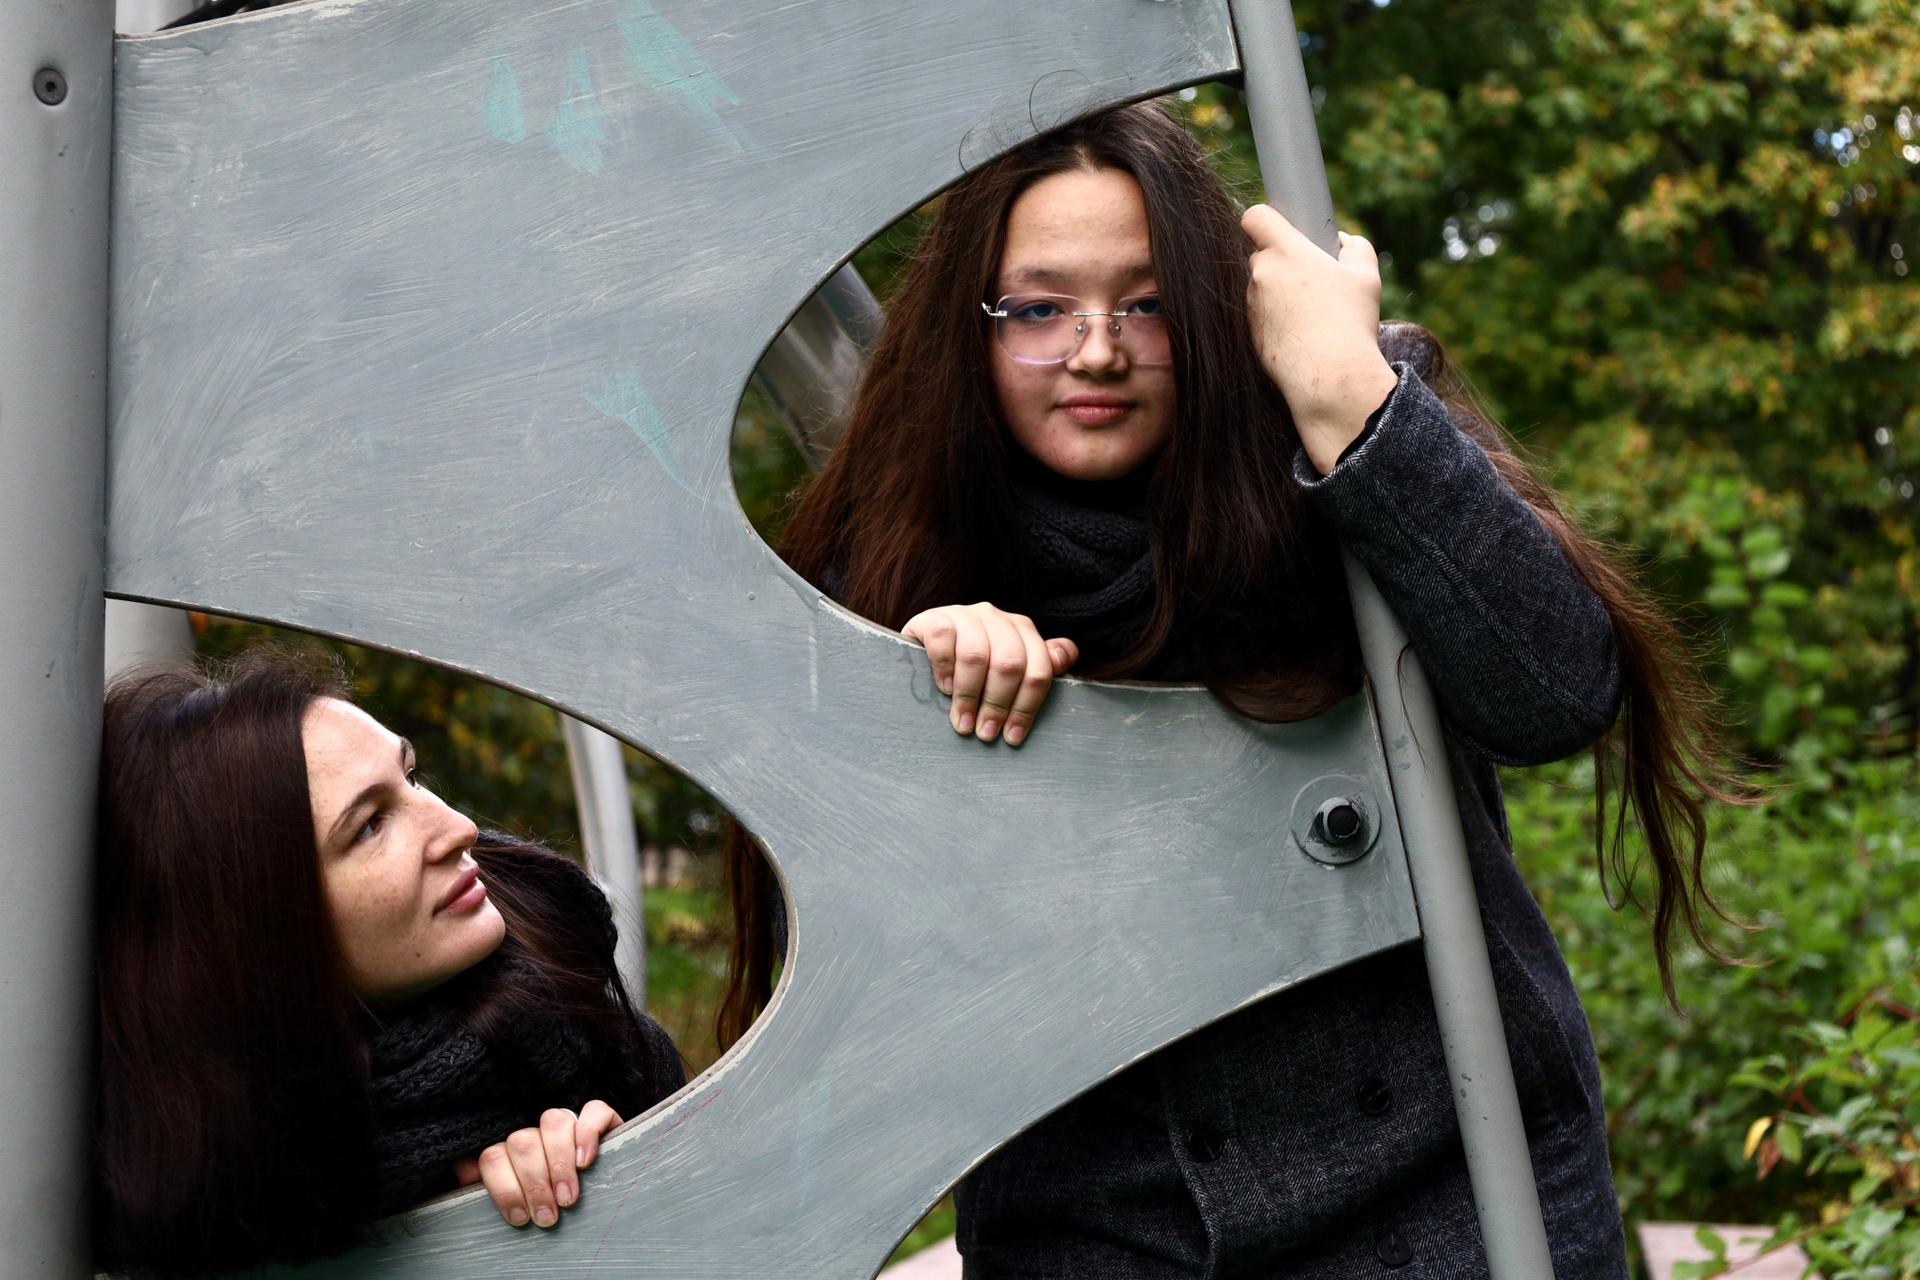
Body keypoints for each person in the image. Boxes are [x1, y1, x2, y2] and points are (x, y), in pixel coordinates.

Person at [722, 102, 1735, 1277]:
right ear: (972, 328)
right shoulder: (899, 553)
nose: (1096, 351)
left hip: (1443, 1179)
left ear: (1210, 311)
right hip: (1101, 1220)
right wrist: (910, 695)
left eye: (1146, 304)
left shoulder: (1327, 418)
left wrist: (1353, 404)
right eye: (1040, 308)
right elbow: (858, 979)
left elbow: (1555, 694)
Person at [95, 649, 686, 1276]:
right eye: (370, 826)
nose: (459, 828)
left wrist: (630, 1184)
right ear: (255, 937)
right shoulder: (179, 1204)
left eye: (412, 777)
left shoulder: (581, 1041)